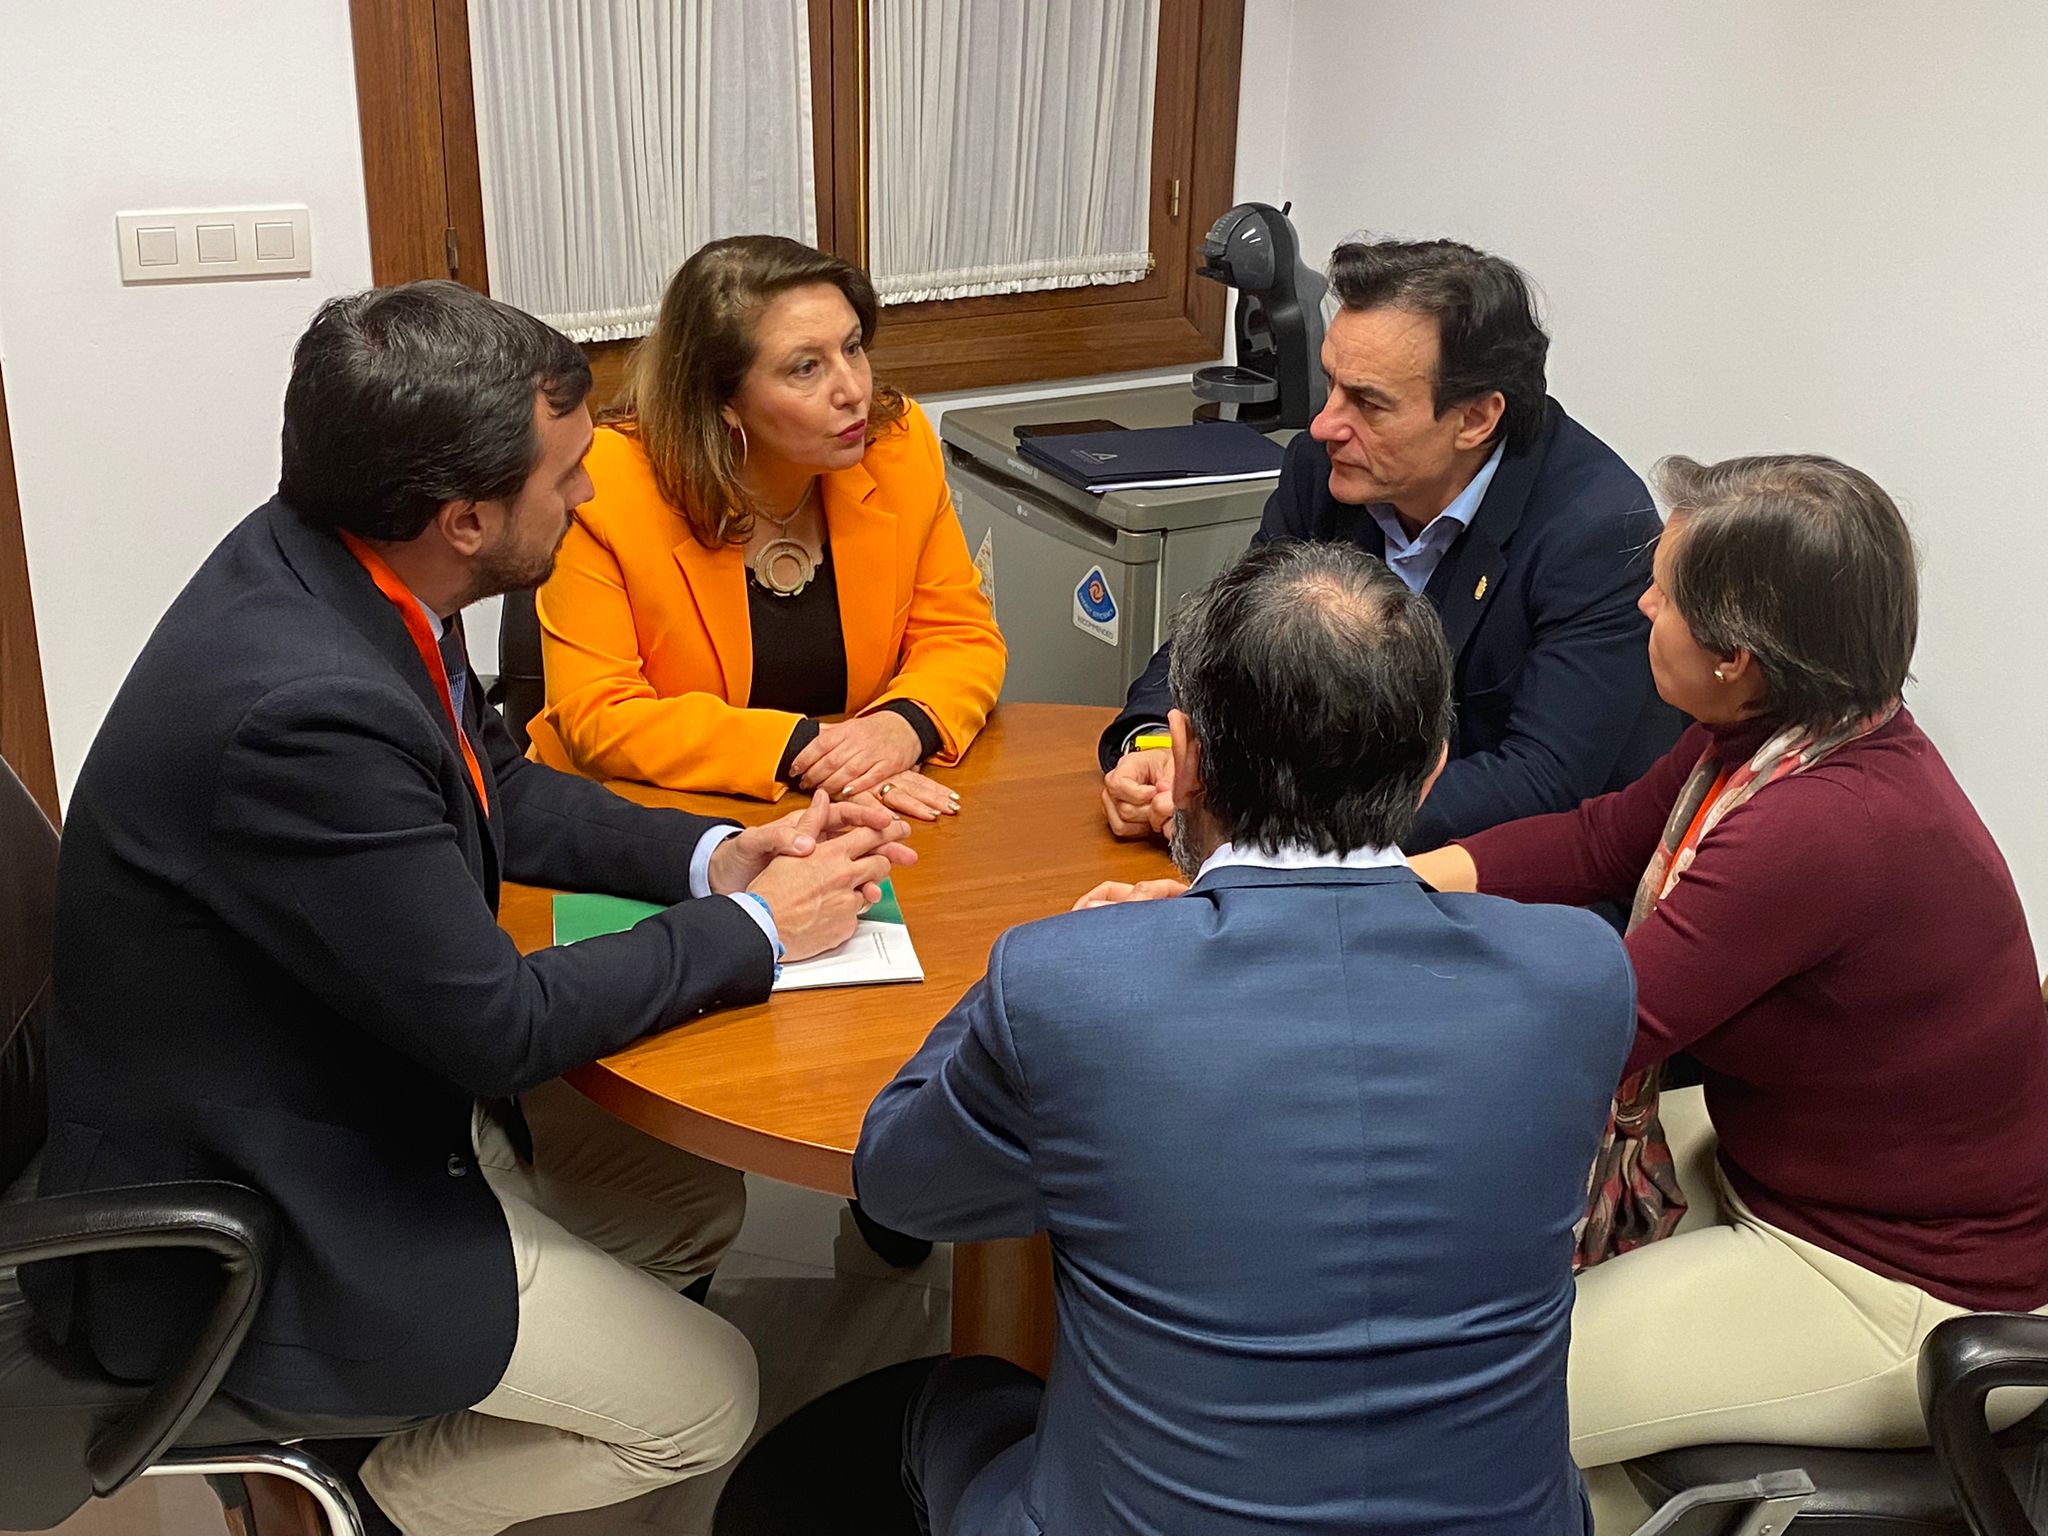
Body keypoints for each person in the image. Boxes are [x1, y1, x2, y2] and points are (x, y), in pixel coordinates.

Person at [23, 281, 916, 1536]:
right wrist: (764, 931)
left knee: (686, 1202)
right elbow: (495, 1025)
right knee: (709, 1401)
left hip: (333, 1076)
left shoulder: (341, 563)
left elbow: (492, 785)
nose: (591, 494)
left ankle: (467, 1390)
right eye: (564, 478)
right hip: (274, 1194)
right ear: (464, 518)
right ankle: (363, 1507)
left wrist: (721, 854)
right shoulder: (304, 710)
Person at [855, 542, 1636, 1535]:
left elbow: (901, 1185)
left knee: (958, 1395)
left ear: (1181, 755)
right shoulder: (1579, 974)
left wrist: (1042, 963)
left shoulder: (1067, 986)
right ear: (1432, 765)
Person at [1409, 454, 2048, 1529]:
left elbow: (1591, 1029)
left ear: (1735, 662)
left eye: (1663, 592)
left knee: (1468, 1408)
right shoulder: (1776, 743)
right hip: (1802, 1176)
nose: (1642, 603)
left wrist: (1321, 972)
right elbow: (1598, 840)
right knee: (1490, 1340)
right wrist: (1376, 891)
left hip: (1894, 1286)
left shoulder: (1815, 830)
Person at [1101, 236, 1681, 853]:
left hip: (1495, 885)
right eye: (1332, 384)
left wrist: (1277, 830)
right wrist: (1162, 745)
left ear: (1477, 419)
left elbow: (1542, 778)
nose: (1324, 425)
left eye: (1369, 402)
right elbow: (1225, 643)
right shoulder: (1324, 473)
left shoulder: (1593, 530)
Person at [528, 234, 1007, 822]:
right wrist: (812, 754)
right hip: (639, 821)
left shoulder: (897, 448)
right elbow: (596, 713)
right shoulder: (609, 483)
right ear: (720, 399)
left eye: (852, 348)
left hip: (852, 813)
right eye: (805, 368)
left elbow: (961, 636)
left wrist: (902, 725)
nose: (853, 390)